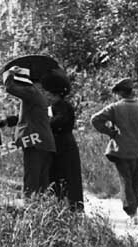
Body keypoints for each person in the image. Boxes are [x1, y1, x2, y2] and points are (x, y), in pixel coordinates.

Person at [91, 78, 138, 224]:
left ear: (119, 93)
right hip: (137, 151)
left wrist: (110, 133)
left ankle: (131, 212)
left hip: (120, 150)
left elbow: (95, 119)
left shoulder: (115, 108)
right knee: (135, 181)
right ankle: (135, 210)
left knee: (125, 180)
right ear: (131, 92)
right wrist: (137, 141)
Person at [3, 66, 57, 198]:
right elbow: (28, 116)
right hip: (44, 142)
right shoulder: (37, 95)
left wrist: (9, 73)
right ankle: (41, 210)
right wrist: (5, 121)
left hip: (35, 142)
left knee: (31, 180)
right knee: (41, 181)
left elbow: (9, 87)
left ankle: (30, 210)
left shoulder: (30, 91)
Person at [44, 72, 84, 212]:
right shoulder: (57, 106)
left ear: (55, 94)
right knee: (59, 175)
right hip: (60, 143)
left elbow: (60, 120)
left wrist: (46, 124)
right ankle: (62, 205)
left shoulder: (62, 106)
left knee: (66, 175)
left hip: (64, 144)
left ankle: (71, 206)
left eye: (49, 94)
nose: (47, 96)